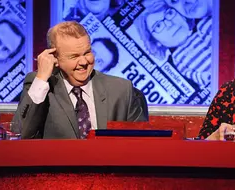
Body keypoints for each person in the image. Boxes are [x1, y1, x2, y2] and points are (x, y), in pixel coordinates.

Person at [12, 21, 147, 139]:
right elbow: (21, 134)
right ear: (55, 58)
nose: (83, 62)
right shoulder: (42, 86)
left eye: (87, 52)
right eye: (74, 56)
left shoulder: (121, 89)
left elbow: (139, 144)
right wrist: (41, 78)